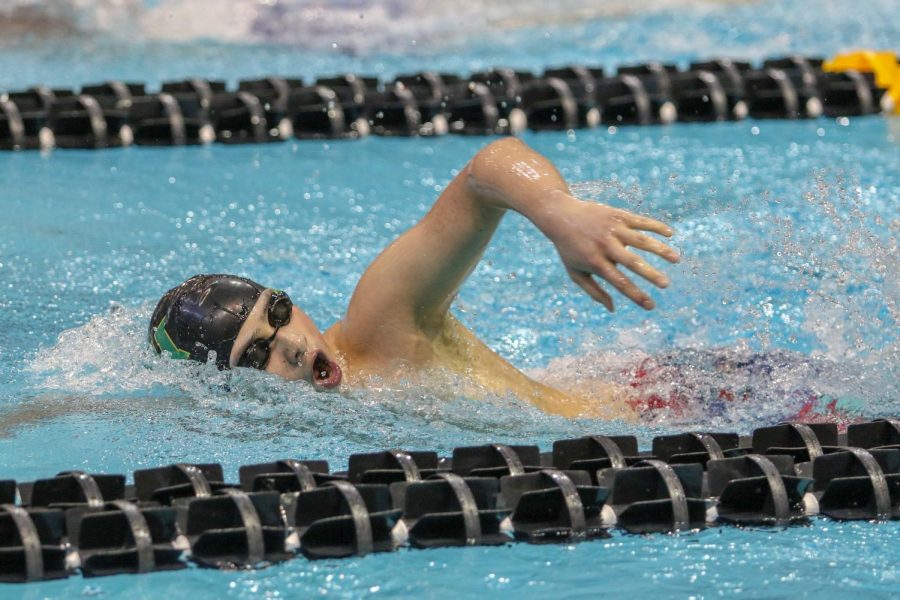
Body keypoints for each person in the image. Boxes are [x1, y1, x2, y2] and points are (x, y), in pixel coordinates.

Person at [149, 137, 680, 417]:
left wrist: (556, 210)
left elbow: (488, 167)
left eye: (279, 314)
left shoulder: (380, 327)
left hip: (656, 412)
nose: (290, 345)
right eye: (255, 356)